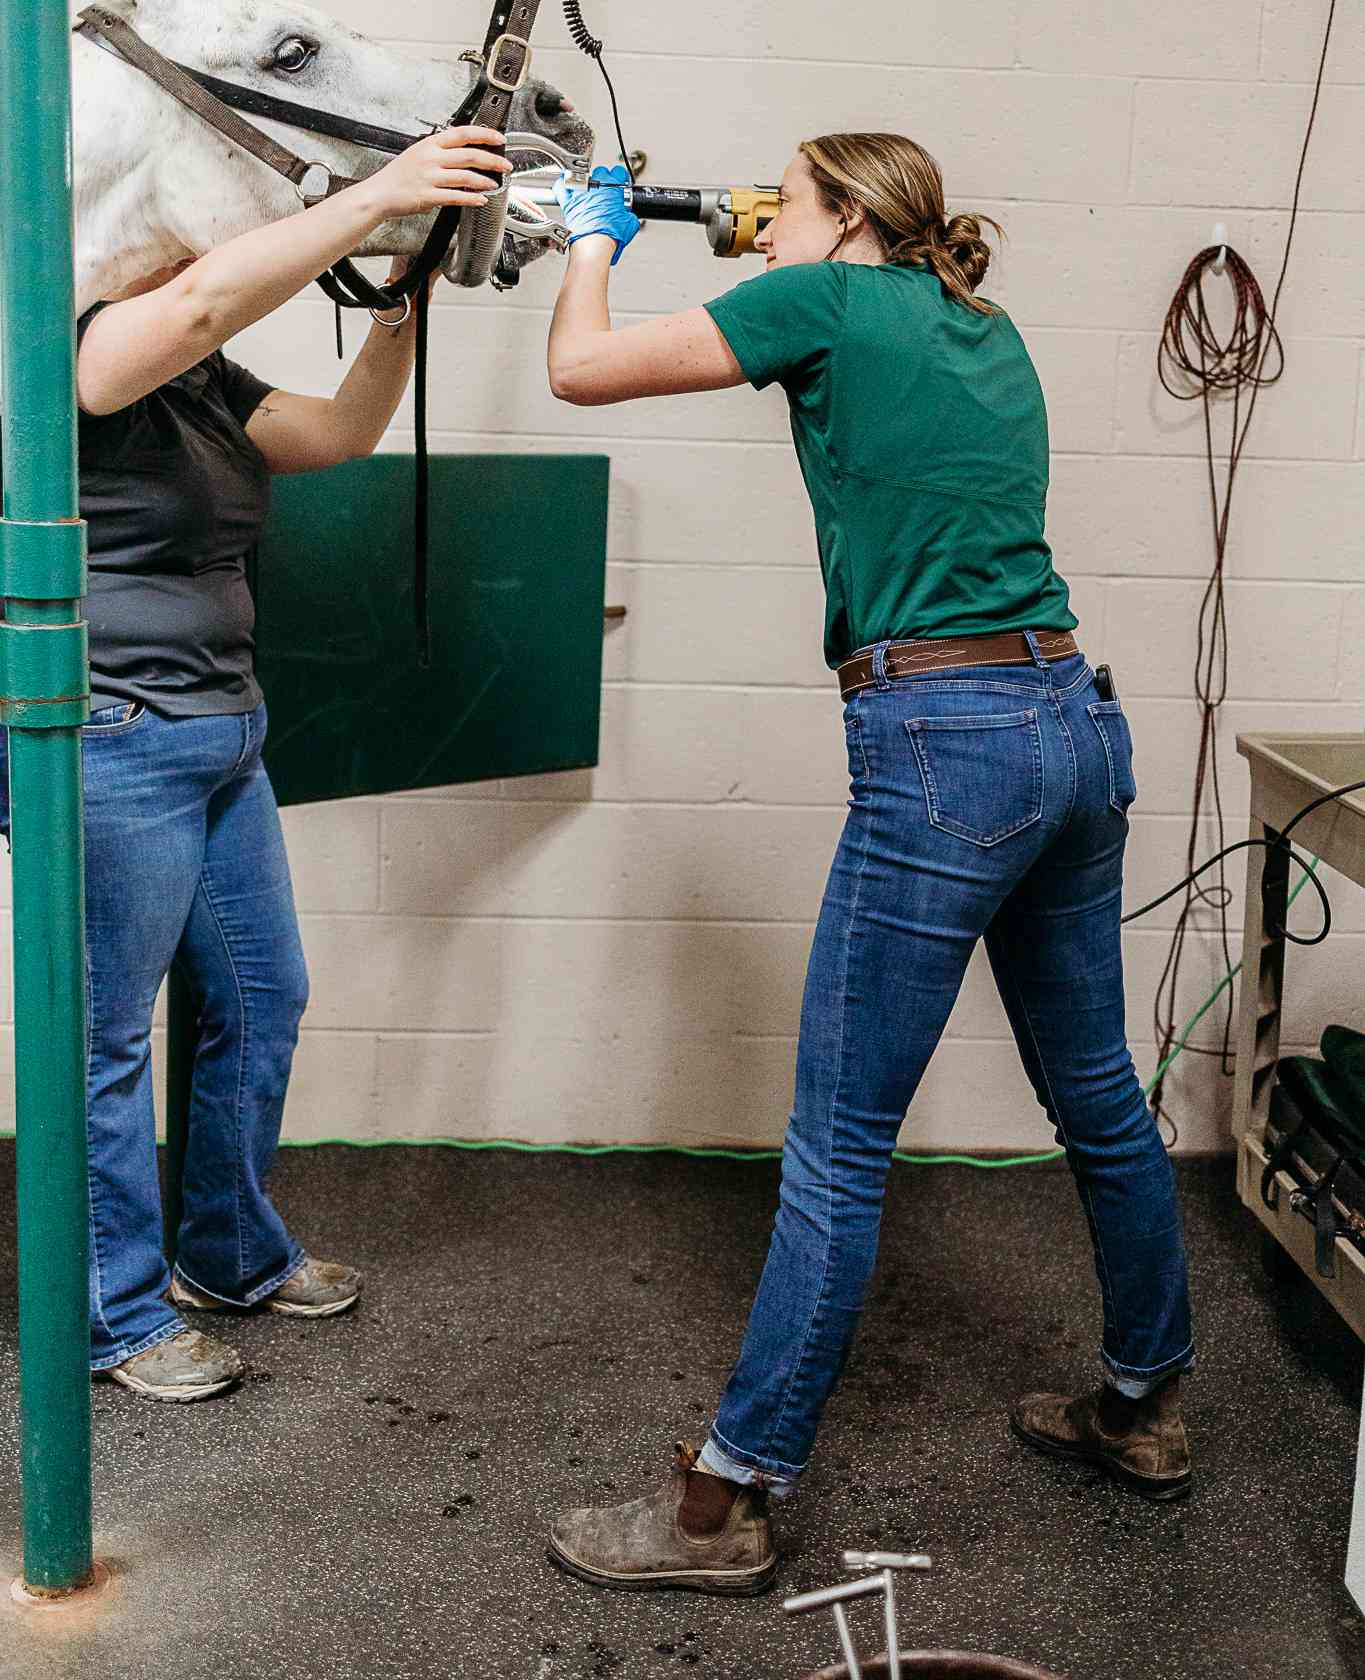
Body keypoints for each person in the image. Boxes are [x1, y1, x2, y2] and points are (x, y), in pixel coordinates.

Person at [542, 137, 1194, 1595]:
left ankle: (721, 1504)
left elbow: (579, 370)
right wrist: (760, 244)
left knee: (839, 1144)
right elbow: (842, 339)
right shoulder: (980, 321)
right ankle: (1146, 1407)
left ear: (842, 216)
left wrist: (594, 238)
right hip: (1073, 723)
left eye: (788, 198)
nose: (765, 217)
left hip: (944, 744)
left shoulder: (822, 304)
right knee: (1099, 1094)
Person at [0, 122, 511, 1402]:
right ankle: (115, 1313)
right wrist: (379, 196)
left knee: (263, 995)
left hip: (225, 731)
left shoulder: (200, 377)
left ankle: (226, 1251)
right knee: (104, 1038)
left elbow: (338, 431)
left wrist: (400, 303)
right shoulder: (69, 344)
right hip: (113, 734)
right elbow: (189, 309)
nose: (199, 245)